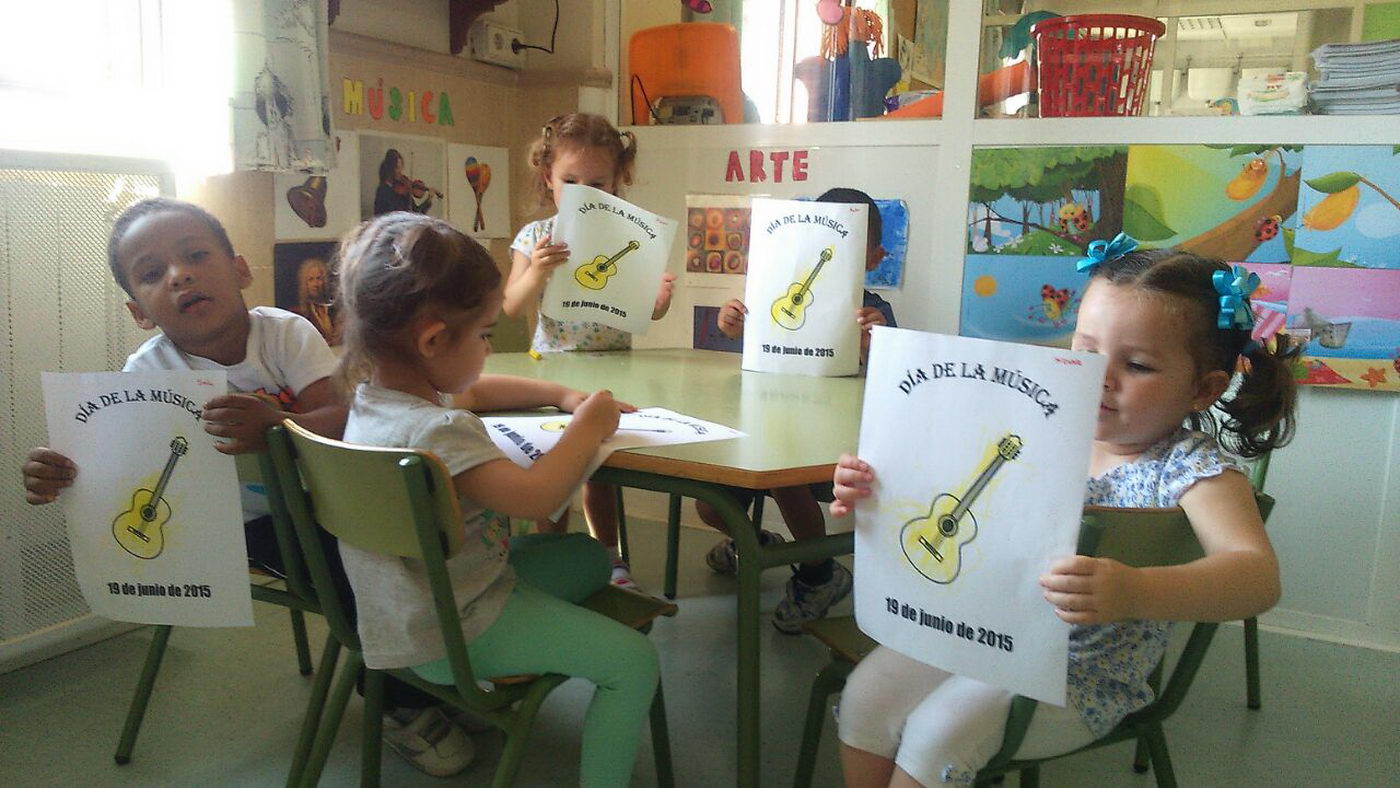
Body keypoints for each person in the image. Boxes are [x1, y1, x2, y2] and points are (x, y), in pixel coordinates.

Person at [17, 198, 470, 778]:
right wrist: (62, 473)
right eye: (152, 274)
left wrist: (279, 428)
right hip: (237, 527)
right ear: (139, 311)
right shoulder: (145, 372)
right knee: (359, 565)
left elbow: (341, 417)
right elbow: (124, 471)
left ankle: (432, 660)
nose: (179, 275)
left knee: (416, 535)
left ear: (239, 270)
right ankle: (401, 699)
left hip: (322, 497)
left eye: (195, 256)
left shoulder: (285, 333)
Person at [829, 243, 1296, 787]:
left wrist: (1135, 590)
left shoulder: (1188, 468)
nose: (1101, 377)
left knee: (939, 731)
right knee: (865, 695)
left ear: (1204, 389)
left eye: (1138, 364)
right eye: (1086, 350)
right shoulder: (1040, 426)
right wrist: (876, 488)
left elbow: (1257, 577)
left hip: (1080, 675)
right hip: (973, 629)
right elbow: (948, 491)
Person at [335, 211, 660, 788]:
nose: (489, 348)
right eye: (485, 334)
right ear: (433, 339)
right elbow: (539, 499)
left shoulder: (374, 400)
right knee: (634, 663)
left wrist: (561, 393)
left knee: (590, 560)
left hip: (403, 609)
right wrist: (588, 425)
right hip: (455, 627)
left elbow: (476, 389)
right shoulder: (436, 432)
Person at [700, 186, 894, 634]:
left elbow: (894, 374)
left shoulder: (874, 311)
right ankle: (753, 544)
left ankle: (818, 574)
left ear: (873, 257)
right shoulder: (773, 291)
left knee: (786, 481)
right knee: (710, 506)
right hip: (762, 422)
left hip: (827, 436)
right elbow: (748, 342)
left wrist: (876, 341)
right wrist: (730, 325)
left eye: (850, 245)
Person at [504, 112, 677, 590]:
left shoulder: (632, 236)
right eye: (570, 180)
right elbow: (510, 302)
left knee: (601, 470)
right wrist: (537, 271)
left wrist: (659, 302)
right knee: (551, 462)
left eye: (597, 181)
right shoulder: (536, 237)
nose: (583, 191)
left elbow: (646, 312)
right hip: (553, 375)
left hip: (614, 371)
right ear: (548, 178)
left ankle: (609, 555)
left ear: (619, 180)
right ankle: (548, 552)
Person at [290, 254, 339, 345]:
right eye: (311, 279)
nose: (315, 284)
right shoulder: (297, 313)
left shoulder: (336, 310)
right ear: (305, 283)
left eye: (319, 278)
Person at [372, 148, 435, 217]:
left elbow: (416, 214)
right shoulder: (383, 191)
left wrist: (428, 200)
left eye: (401, 168)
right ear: (389, 168)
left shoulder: (404, 192)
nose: (400, 172)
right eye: (397, 168)